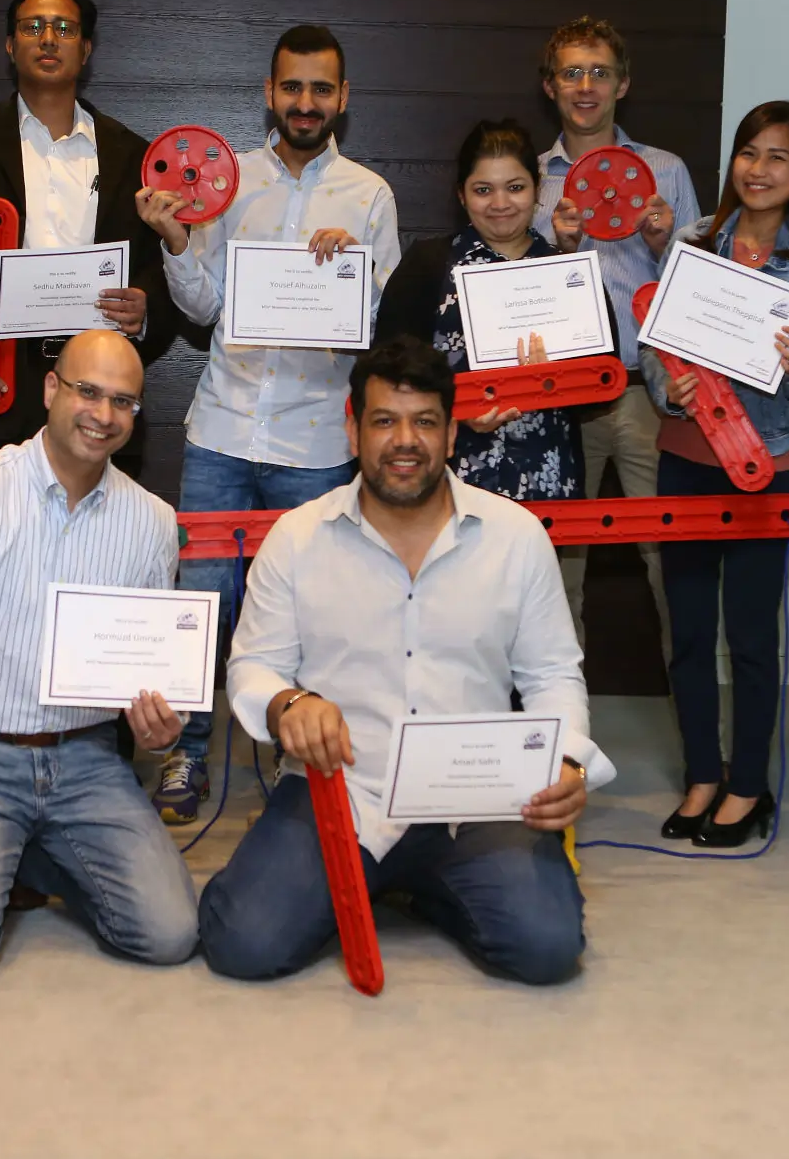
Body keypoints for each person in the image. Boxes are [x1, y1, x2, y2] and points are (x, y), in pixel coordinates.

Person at [196, 337, 612, 985]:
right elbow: (253, 667)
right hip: (337, 789)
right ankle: (386, 878)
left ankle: (413, 883)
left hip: (478, 798)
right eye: (384, 421)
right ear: (353, 429)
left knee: (547, 949)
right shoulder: (299, 537)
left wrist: (566, 759)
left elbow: (553, 674)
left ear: (450, 435)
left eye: (424, 422)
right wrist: (290, 704)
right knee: (242, 945)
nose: (404, 441)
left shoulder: (515, 537)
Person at [134, 24, 401, 823]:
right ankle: (187, 753)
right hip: (222, 426)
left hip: (316, 434)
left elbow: (375, 324)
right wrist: (177, 237)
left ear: (343, 99)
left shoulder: (369, 196)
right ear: (269, 93)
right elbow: (203, 306)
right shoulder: (223, 179)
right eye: (293, 87)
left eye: (322, 89)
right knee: (202, 604)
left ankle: (295, 751)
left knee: (308, 608)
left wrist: (349, 269)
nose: (307, 103)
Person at [0, 330, 200, 978]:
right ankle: (12, 848)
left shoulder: (153, 521)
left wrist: (160, 730)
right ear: (52, 389)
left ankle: (30, 852)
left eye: (123, 403)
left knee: (170, 935)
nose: (103, 416)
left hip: (87, 762)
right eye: (87, 392)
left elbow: (143, 660)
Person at [645, 101, 789, 848]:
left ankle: (747, 784)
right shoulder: (695, 243)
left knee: (751, 636)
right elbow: (654, 347)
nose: (759, 171)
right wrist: (670, 387)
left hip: (763, 468)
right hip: (684, 458)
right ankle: (702, 773)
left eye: (778, 158)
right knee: (690, 631)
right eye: (748, 154)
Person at [0, 0, 174, 495]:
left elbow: (161, 271)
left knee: (87, 554)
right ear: (11, 45)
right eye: (33, 26)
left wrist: (146, 309)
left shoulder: (135, 154)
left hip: (93, 387)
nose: (49, 39)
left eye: (64, 28)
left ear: (86, 48)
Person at [531, 17, 702, 654]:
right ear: (550, 86)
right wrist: (558, 250)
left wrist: (663, 249)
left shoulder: (666, 171)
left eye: (599, 72)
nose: (586, 86)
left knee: (671, 566)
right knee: (551, 574)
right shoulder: (528, 179)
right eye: (572, 72)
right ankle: (558, 741)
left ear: (622, 84)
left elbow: (697, 296)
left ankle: (701, 747)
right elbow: (512, 293)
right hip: (556, 394)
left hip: (645, 393)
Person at [376, 117, 594, 500]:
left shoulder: (564, 271)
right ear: (461, 195)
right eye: (482, 189)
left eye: (515, 187)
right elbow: (385, 371)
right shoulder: (428, 265)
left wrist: (555, 380)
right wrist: (455, 408)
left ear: (536, 189)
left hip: (544, 476)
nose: (500, 204)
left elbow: (602, 386)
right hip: (445, 478)